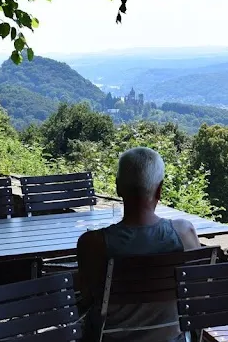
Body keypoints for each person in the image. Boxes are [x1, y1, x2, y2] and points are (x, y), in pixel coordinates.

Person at [77, 147, 200, 342]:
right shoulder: (184, 233)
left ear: (118, 188)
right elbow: (195, 293)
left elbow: (85, 299)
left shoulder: (92, 244)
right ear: (159, 190)